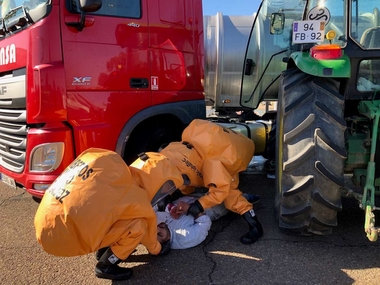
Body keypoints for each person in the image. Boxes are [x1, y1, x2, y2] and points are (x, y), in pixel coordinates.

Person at [34, 148, 185, 281]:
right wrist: (158, 249)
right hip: (63, 235)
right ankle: (106, 266)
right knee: (138, 226)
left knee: (117, 216)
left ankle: (104, 251)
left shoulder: (115, 169)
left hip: (46, 218)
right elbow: (148, 234)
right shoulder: (136, 198)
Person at [160, 119, 264, 244]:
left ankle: (255, 226)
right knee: (193, 182)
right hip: (215, 143)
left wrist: (198, 206)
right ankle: (247, 197)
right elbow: (183, 180)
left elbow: (220, 190)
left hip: (237, 153)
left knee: (230, 195)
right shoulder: (172, 154)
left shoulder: (212, 165)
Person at [155, 193, 261, 249]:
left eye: (153, 231)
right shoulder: (184, 239)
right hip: (209, 208)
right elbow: (204, 223)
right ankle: (243, 198)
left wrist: (168, 206)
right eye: (160, 234)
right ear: (167, 240)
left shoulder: (155, 225)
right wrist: (191, 209)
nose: (158, 228)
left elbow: (153, 206)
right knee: (228, 199)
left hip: (191, 195)